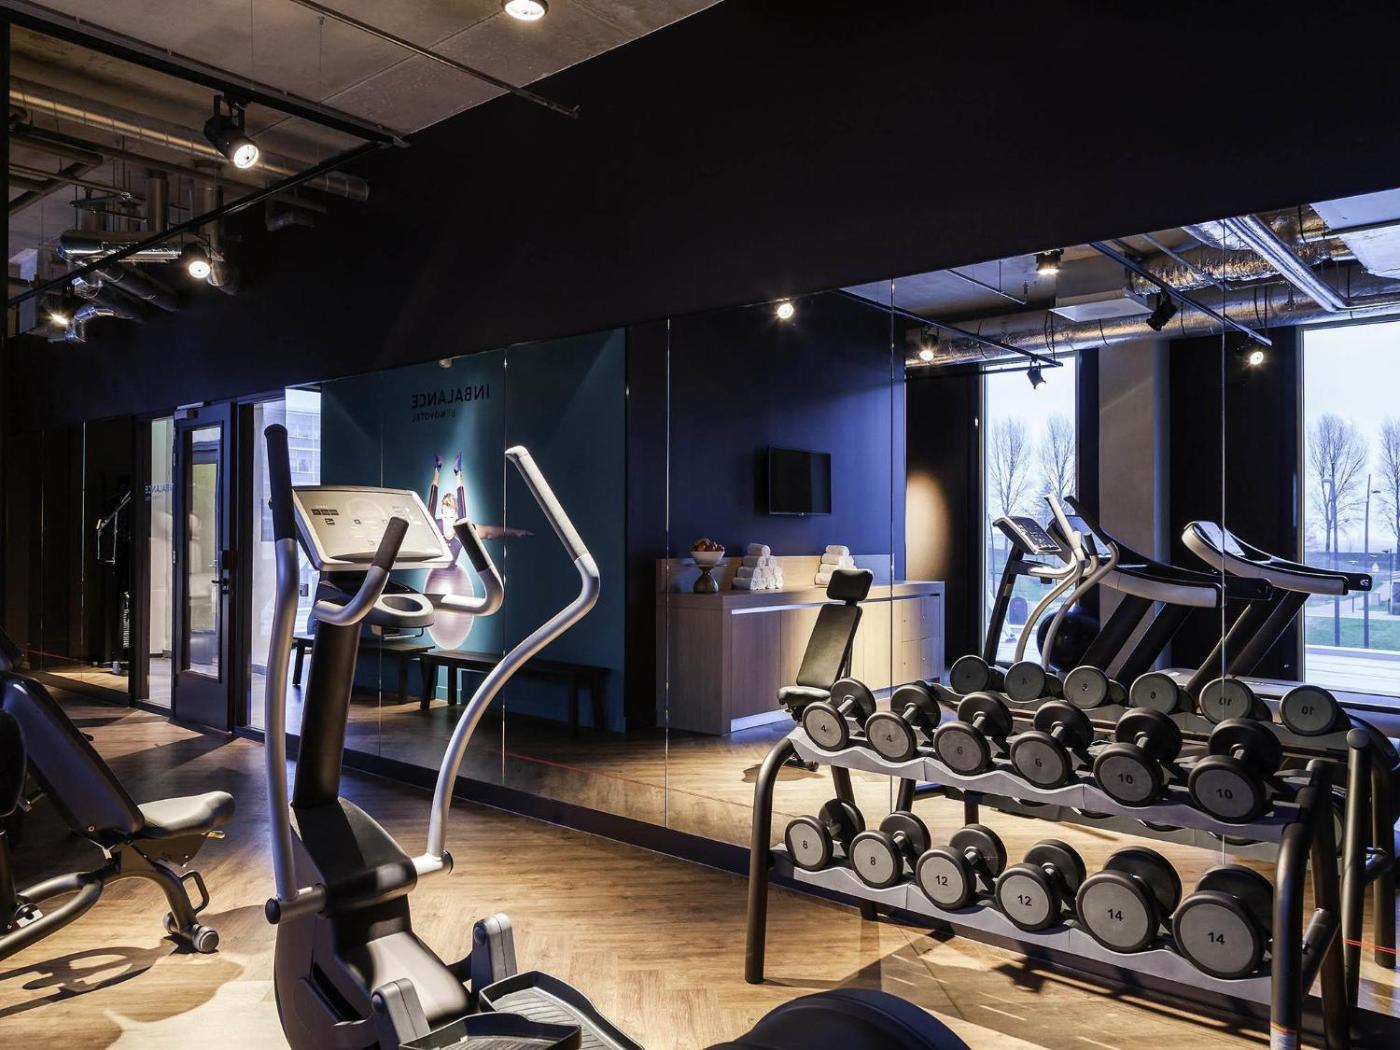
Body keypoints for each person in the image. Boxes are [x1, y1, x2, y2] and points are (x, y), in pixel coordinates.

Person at [424, 453, 528, 650]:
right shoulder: (435, 525)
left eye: (451, 516)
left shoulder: (460, 527)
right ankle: (439, 468)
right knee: (428, 517)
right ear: (442, 513)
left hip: (454, 575)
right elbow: (430, 506)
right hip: (437, 578)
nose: (448, 520)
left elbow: (488, 532)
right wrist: (436, 471)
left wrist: (514, 532)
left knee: (465, 524)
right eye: (445, 515)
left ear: (454, 514)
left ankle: (458, 471)